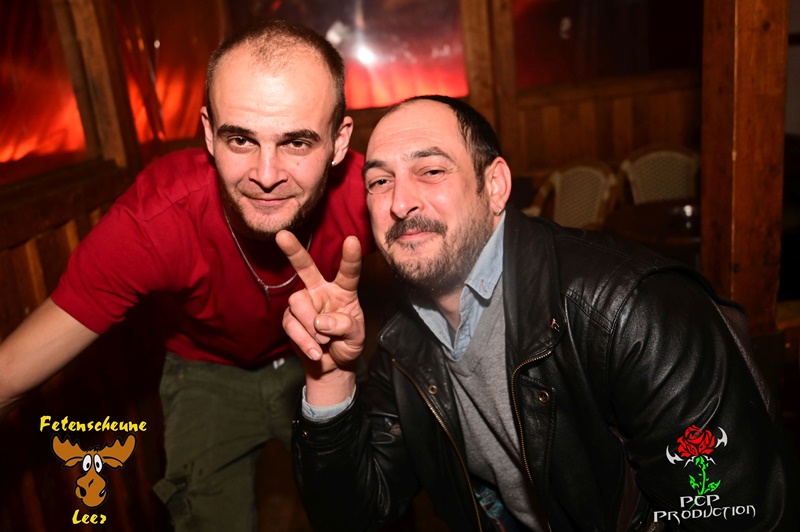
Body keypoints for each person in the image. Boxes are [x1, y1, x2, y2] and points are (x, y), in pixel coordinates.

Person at [278, 95, 800, 531]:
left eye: (431, 170)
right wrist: (329, 375)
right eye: (379, 182)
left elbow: (736, 514)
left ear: (495, 186)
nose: (400, 203)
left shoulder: (629, 308)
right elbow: (356, 514)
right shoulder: (402, 333)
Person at [0, 21, 372, 531]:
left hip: (324, 357)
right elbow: (9, 375)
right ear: (208, 134)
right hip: (206, 370)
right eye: (240, 139)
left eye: (297, 143)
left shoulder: (372, 196)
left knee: (367, 505)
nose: (266, 175)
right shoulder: (157, 219)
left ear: (339, 141)